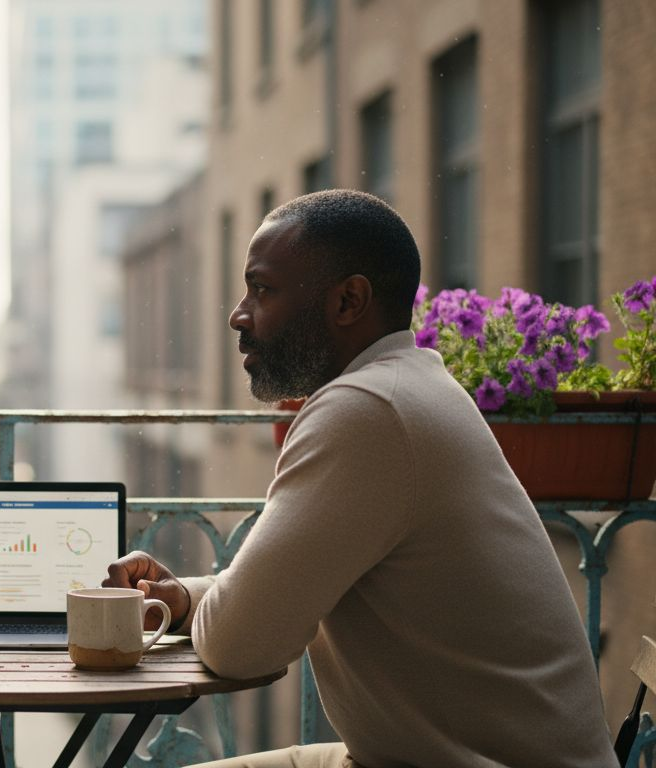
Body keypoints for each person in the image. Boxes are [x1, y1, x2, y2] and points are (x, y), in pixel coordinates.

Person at [105, 190, 613, 767]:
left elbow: (239, 647)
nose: (238, 314)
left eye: (263, 288)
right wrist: (184, 598)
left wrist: (209, 608)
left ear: (348, 301)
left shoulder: (369, 410)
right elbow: (271, 594)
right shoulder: (408, 385)